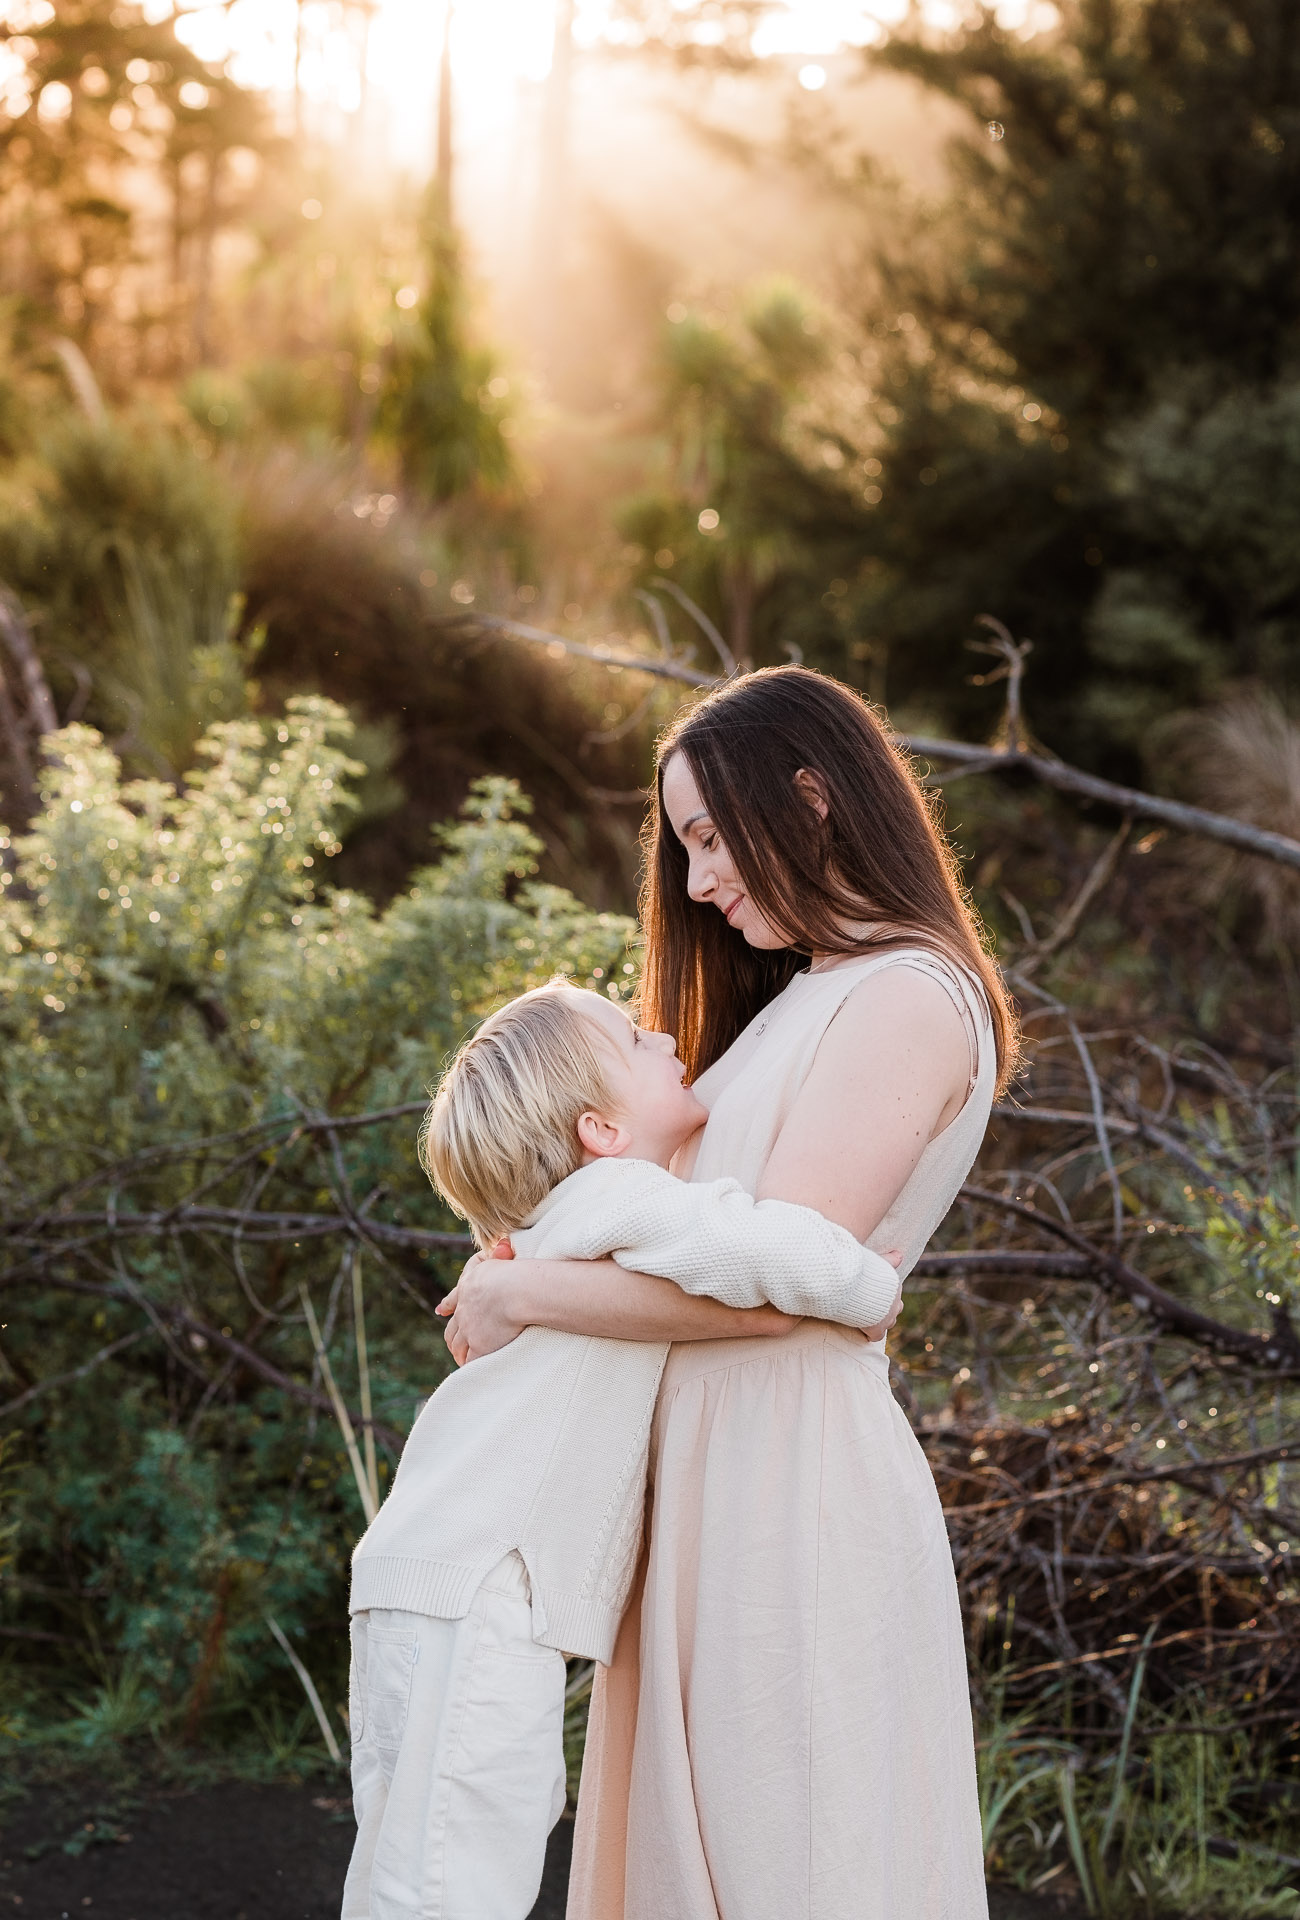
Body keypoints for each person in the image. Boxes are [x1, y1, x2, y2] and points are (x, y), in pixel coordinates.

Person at [439, 665, 1018, 1920]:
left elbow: (777, 1297)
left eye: (708, 838)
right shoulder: (802, 997)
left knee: (793, 1855)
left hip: (793, 1480)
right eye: (687, 845)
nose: (697, 882)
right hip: (715, 1473)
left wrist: (520, 1297)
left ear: (809, 797)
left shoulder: (907, 996)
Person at [343, 978, 905, 1920]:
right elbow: (760, 1254)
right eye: (633, 1037)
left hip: (432, 1587)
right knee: (452, 1884)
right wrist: (864, 1284)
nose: (662, 1034)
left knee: (409, 1876)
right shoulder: (620, 1197)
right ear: (600, 1131)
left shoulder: (559, 1232)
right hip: (479, 1593)